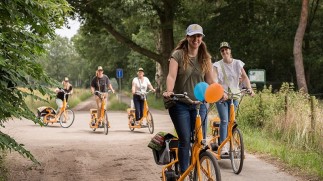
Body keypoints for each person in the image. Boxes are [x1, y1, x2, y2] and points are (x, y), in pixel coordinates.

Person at [163, 24, 215, 174]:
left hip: (200, 104)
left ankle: (198, 166)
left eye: (198, 36)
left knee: (201, 141)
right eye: (192, 36)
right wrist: (169, 91)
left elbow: (211, 81)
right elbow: (171, 76)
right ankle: (185, 172)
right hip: (180, 104)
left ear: (201, 38)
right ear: (187, 37)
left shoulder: (205, 57)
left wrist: (220, 92)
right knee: (185, 140)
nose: (196, 39)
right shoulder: (177, 55)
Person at [213, 41, 255, 155]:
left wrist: (249, 88)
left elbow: (245, 77)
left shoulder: (237, 63)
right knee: (225, 120)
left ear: (230, 51)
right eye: (222, 50)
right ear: (221, 53)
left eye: (226, 49)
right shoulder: (217, 65)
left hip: (235, 96)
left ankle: (232, 143)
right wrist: (221, 92)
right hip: (221, 96)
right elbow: (215, 80)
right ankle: (223, 147)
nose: (224, 52)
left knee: (232, 121)